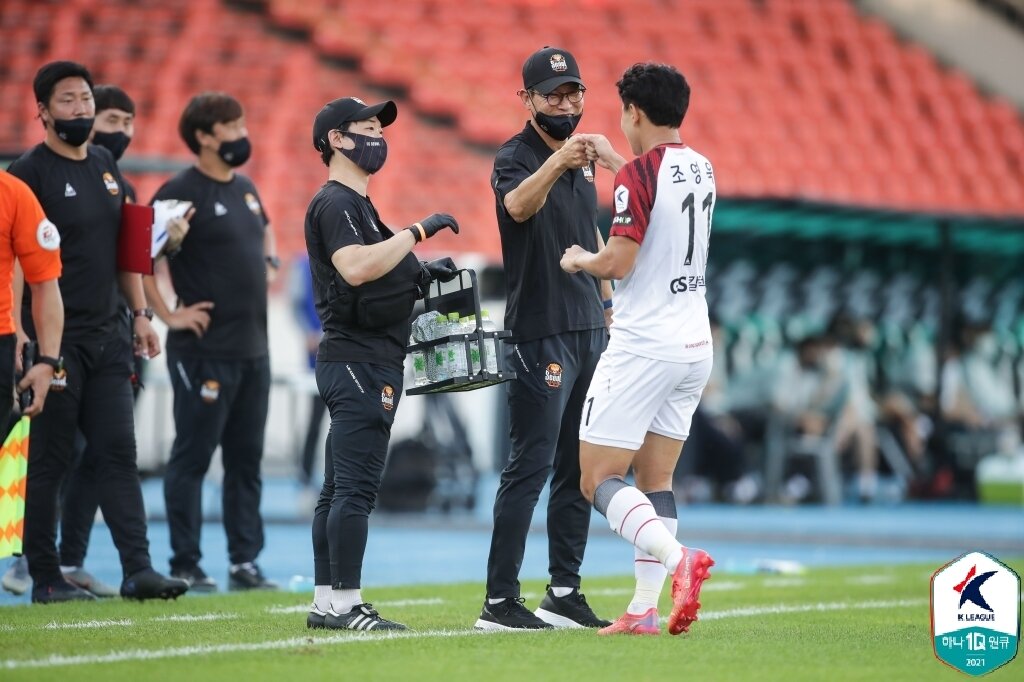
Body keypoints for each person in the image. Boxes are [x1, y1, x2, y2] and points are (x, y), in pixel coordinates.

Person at [7, 60, 188, 603]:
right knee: (51, 460)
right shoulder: (26, 175)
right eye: (67, 100)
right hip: (53, 343)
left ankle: (139, 570)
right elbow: (12, 265)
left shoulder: (108, 165)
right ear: (41, 111)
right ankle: (44, 576)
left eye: (85, 97)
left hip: (109, 338)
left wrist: (139, 315)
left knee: (117, 454)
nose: (81, 108)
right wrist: (19, 334)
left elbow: (125, 254)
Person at [559, 62, 717, 636]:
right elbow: (661, 195)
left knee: (596, 478)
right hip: (695, 343)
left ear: (634, 112)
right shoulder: (702, 167)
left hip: (644, 344)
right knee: (657, 483)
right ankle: (643, 610)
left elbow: (619, 260)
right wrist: (615, 163)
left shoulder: (637, 178)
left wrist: (581, 259)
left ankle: (682, 563)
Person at [474, 46, 618, 631]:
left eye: (573, 93)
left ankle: (563, 590)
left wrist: (608, 308)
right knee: (528, 464)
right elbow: (516, 206)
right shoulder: (516, 156)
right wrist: (560, 161)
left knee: (577, 467)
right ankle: (498, 601)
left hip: (588, 328)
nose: (565, 103)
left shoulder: (584, 160)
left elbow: (589, 230)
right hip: (540, 330)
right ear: (527, 99)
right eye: (552, 94)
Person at [304, 96, 460, 631]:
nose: (377, 135)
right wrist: (417, 233)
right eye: (365, 127)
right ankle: (346, 605)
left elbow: (377, 276)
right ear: (336, 140)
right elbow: (354, 268)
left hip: (358, 357)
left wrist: (418, 276)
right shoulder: (337, 203)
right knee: (356, 488)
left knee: (337, 486)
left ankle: (328, 602)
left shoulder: (356, 205)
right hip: (359, 361)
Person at [143, 92, 278, 592]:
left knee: (246, 461)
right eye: (233, 125)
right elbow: (139, 263)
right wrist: (168, 315)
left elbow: (264, 233)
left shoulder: (246, 187)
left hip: (253, 351)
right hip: (203, 352)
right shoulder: (177, 193)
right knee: (193, 457)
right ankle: (185, 563)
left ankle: (245, 563)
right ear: (204, 135)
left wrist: (269, 262)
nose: (242, 134)